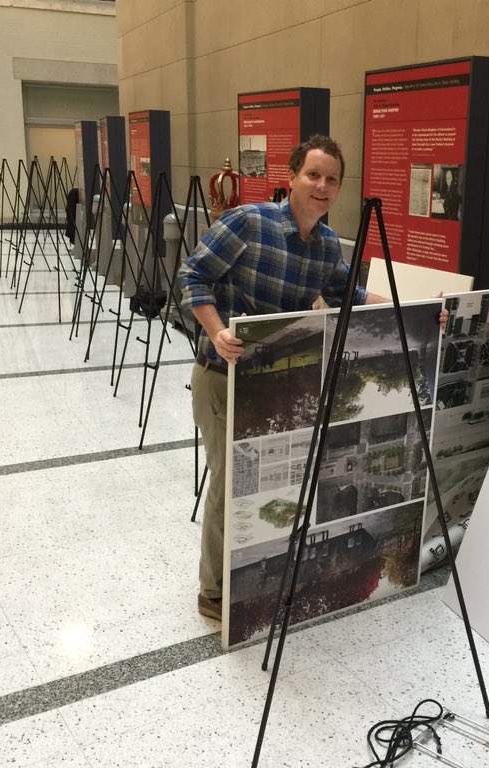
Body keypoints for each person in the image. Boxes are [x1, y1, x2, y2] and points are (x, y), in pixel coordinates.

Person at [179, 135, 389, 620]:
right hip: (223, 377)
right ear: (292, 176)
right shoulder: (248, 222)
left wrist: (413, 309)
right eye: (313, 175)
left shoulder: (328, 245)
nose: (322, 186)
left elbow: (346, 294)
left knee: (271, 482)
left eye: (332, 179)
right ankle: (214, 592)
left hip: (276, 382)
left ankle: (262, 570)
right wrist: (215, 332)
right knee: (231, 485)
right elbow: (193, 276)